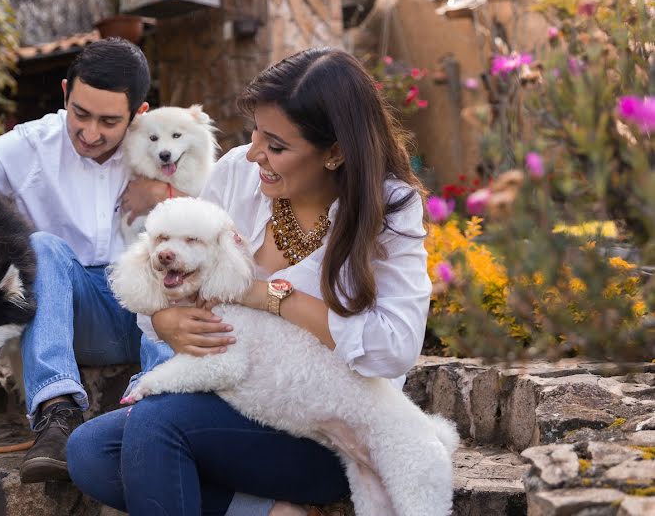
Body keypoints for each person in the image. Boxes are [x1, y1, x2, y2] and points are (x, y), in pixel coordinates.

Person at [64, 47, 433, 516]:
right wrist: (166, 317)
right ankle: (266, 512)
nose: (255, 152)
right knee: (90, 451)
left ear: (336, 152)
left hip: (328, 429)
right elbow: (171, 267)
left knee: (155, 426)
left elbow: (393, 347)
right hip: (235, 398)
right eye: (255, 131)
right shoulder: (239, 173)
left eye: (276, 146)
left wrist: (269, 297)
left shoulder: (389, 208)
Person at [0, 38, 176, 483]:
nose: (90, 131)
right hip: (69, 314)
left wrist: (168, 194)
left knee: (167, 255)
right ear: (65, 93)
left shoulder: (167, 146)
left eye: (109, 121)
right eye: (80, 113)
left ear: (139, 114)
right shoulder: (31, 144)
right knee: (41, 247)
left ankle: (162, 412)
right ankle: (56, 415)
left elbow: (221, 220)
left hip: (153, 315)